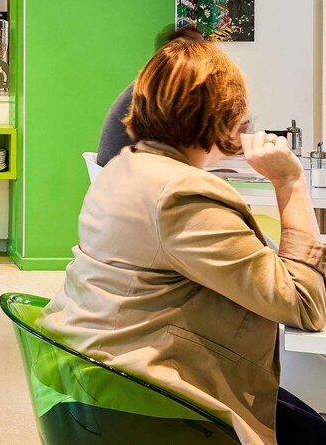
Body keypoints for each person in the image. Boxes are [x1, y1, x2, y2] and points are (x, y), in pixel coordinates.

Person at [41, 37, 326, 445]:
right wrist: (289, 181)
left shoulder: (125, 170)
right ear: (221, 114)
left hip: (101, 378)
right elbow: (305, 305)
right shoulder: (182, 194)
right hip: (148, 399)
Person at [96, 23, 204, 166]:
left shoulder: (150, 83)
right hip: (125, 172)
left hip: (119, 170)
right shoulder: (161, 89)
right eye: (198, 50)